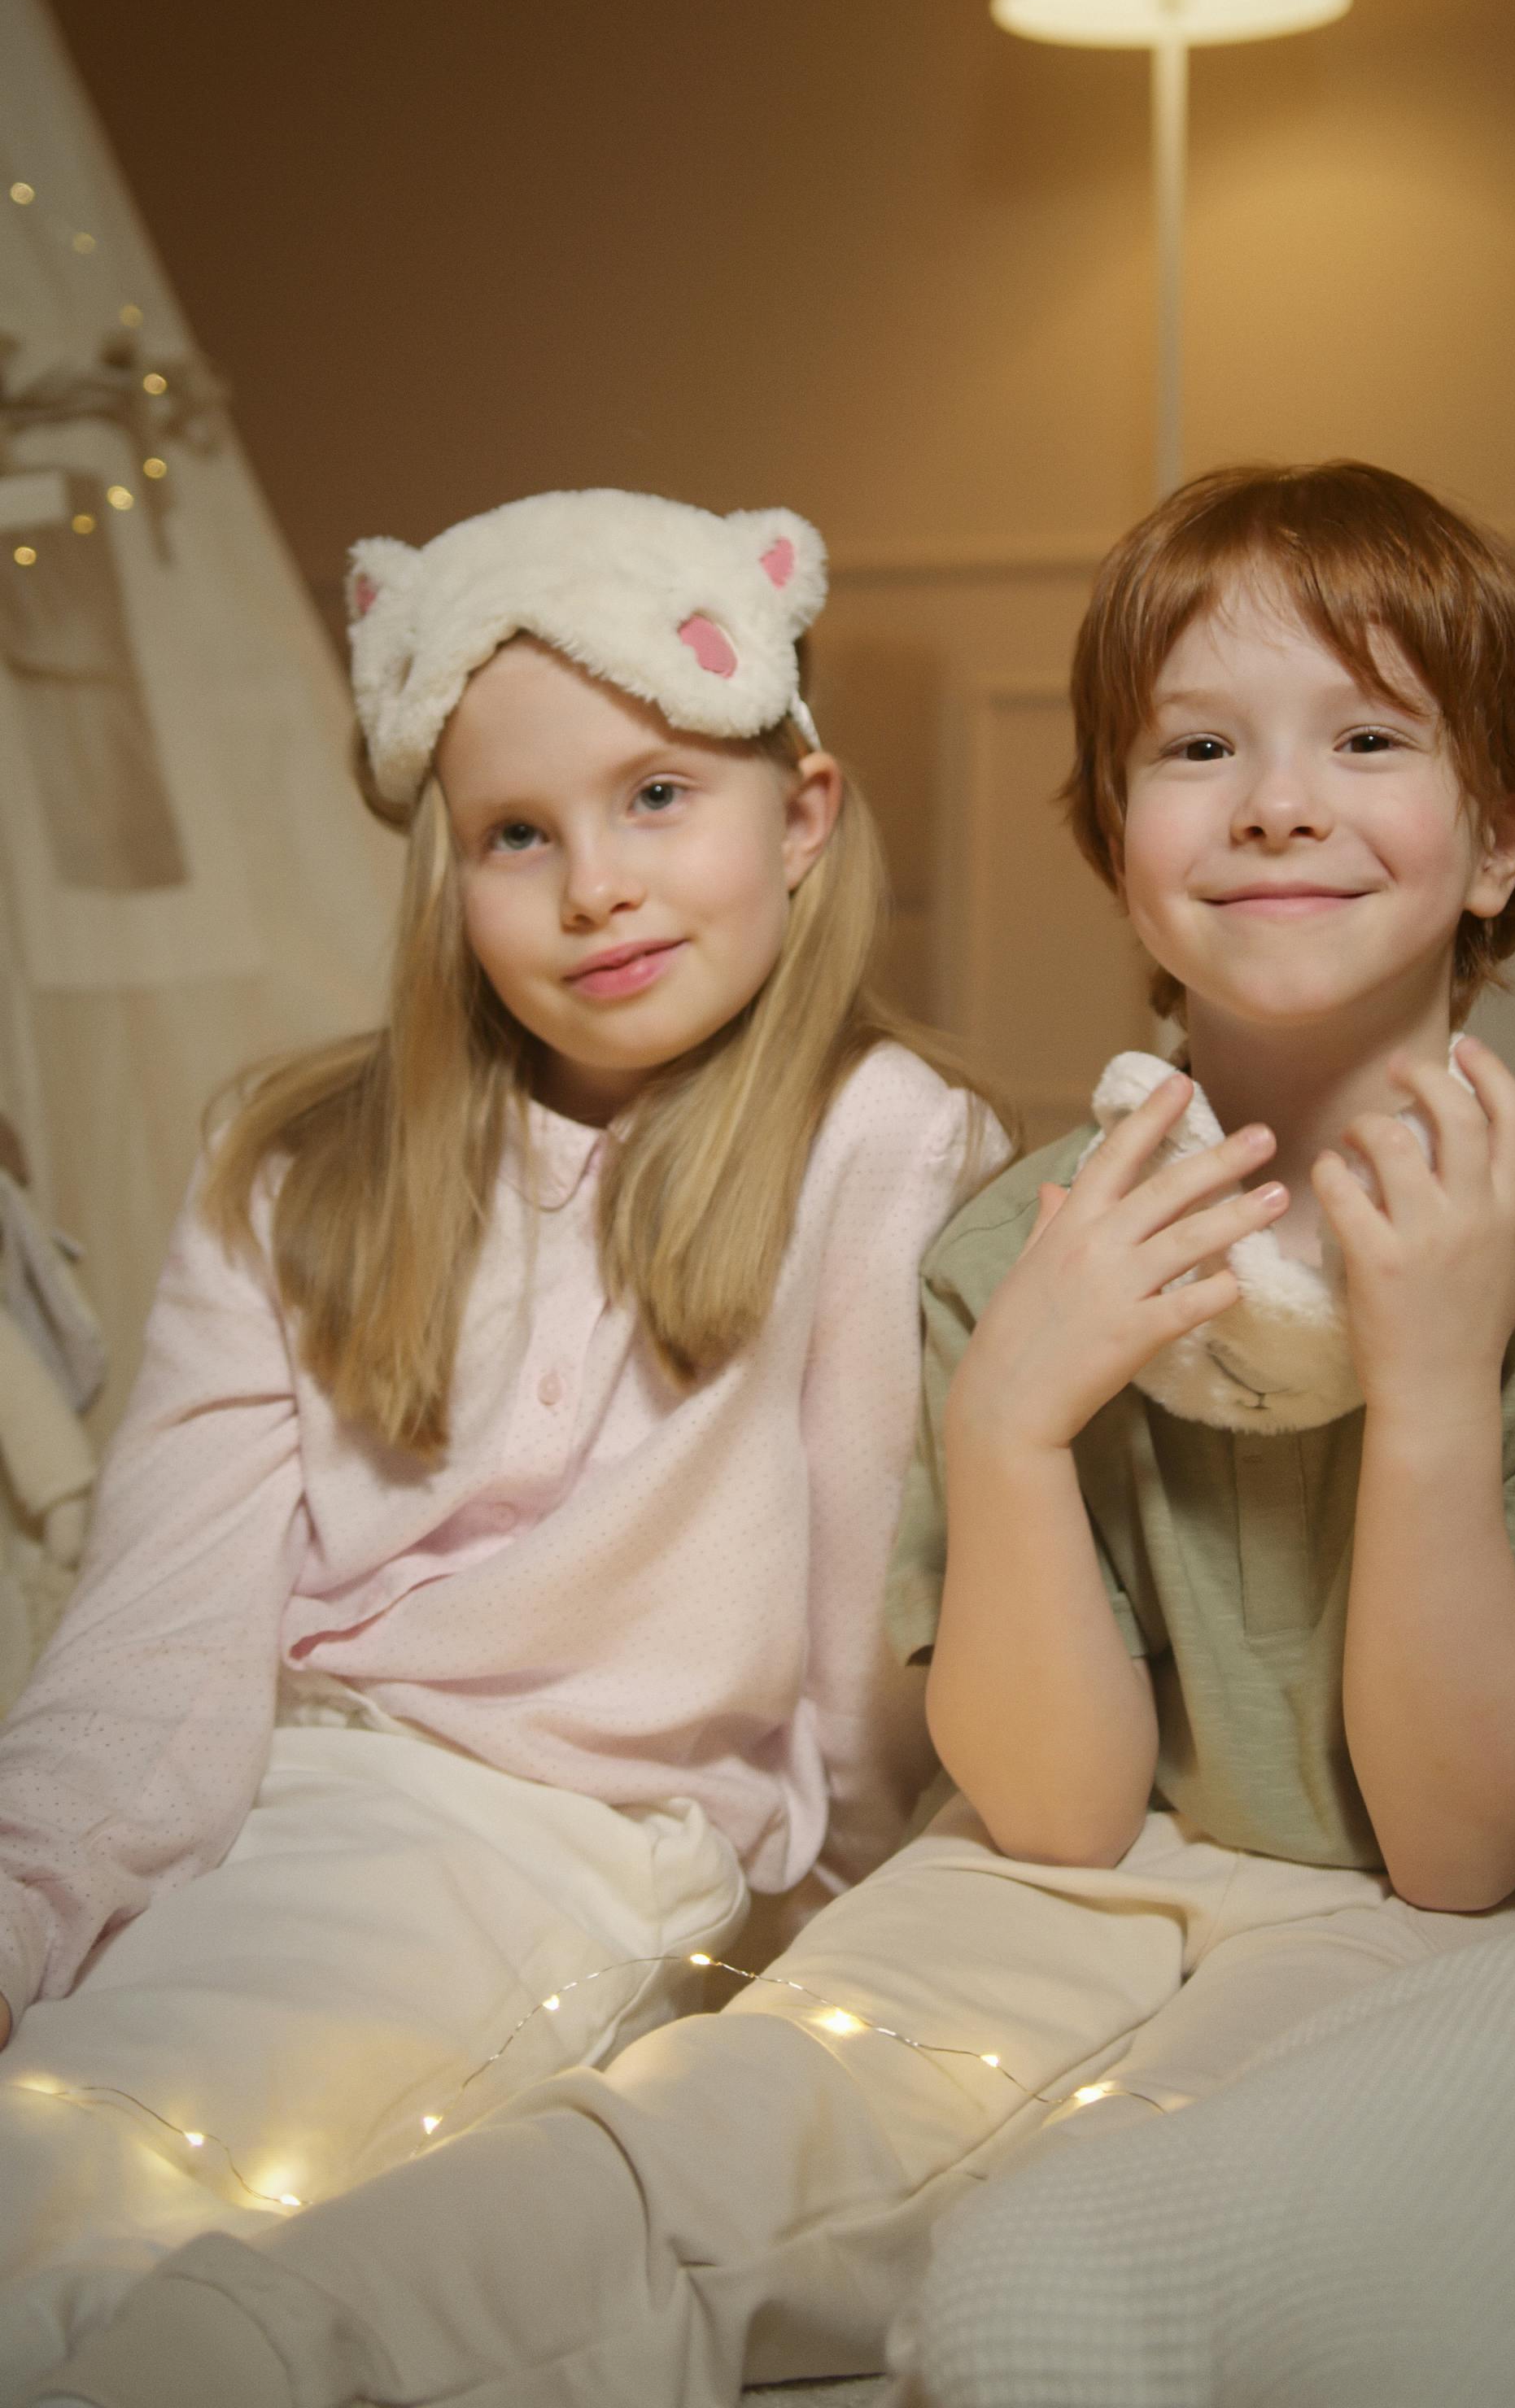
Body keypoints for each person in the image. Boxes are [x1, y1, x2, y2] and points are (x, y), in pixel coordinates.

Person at [33, 463, 1515, 2408]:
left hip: (1417, 1917)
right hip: (1047, 1876)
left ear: (1507, 840)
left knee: (1108, 2248)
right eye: (1201, 747)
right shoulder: (1017, 1240)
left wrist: (1437, 1386)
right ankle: (235, 2347)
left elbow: (1455, 1851)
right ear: (1115, 836)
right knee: (654, 2169)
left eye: (1364, 739)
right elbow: (1051, 1815)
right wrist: (1014, 1416)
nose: (1277, 799)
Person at [0, 486, 1000, 2394]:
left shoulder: (885, 1144)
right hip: (269, 1810)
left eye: (655, 800)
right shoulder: (294, 1169)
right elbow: (152, 1641)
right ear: (443, 878)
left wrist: (833, 1976)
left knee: (135, 2213)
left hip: (577, 1851)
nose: (594, 886)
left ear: (800, 823)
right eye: (515, 835)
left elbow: (877, 1664)